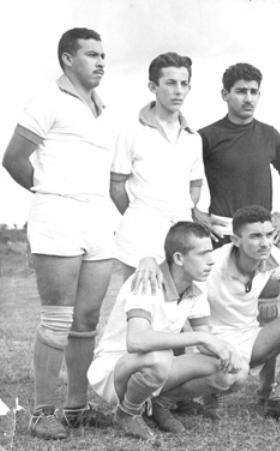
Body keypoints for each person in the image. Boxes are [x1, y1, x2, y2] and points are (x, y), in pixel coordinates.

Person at [134, 205, 280, 426]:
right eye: (255, 236)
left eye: (268, 234)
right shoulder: (211, 265)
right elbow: (179, 301)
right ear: (236, 240)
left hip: (251, 338)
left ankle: (279, 397)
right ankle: (171, 400)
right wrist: (147, 259)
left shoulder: (272, 256)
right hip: (212, 342)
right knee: (233, 375)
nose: (265, 242)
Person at [2, 27, 115, 439]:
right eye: (90, 54)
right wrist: (50, 191)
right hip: (58, 215)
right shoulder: (47, 100)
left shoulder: (103, 108)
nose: (101, 61)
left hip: (98, 216)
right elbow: (13, 158)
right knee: (57, 319)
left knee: (87, 318)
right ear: (68, 59)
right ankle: (41, 412)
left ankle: (76, 407)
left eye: (103, 54)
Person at [198, 62, 280, 401]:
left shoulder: (269, 134)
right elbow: (179, 174)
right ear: (225, 94)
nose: (248, 98)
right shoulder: (207, 136)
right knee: (209, 311)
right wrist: (195, 214)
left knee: (266, 305)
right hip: (221, 233)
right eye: (241, 91)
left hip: (261, 238)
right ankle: (206, 385)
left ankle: (267, 387)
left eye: (254, 91)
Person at [87, 222, 245, 441]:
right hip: (115, 370)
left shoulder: (196, 289)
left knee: (235, 371)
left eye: (211, 252)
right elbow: (136, 341)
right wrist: (202, 337)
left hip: (156, 366)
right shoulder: (146, 280)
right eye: (203, 254)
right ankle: (127, 413)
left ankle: (161, 404)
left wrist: (227, 350)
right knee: (159, 357)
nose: (211, 260)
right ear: (179, 258)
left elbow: (204, 342)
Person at [110, 52, 205, 280]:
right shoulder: (132, 131)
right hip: (141, 232)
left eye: (184, 84)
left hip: (180, 233)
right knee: (140, 301)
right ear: (153, 86)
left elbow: (195, 187)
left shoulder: (193, 138)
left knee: (179, 304)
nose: (178, 90)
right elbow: (116, 187)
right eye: (170, 83)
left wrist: (179, 216)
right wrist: (140, 215)